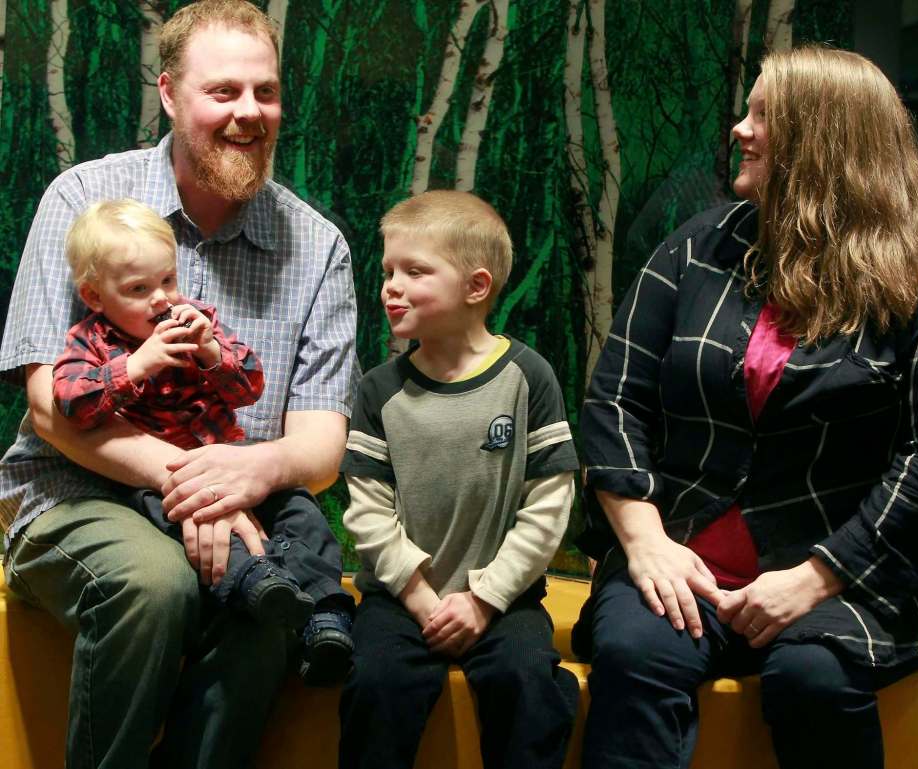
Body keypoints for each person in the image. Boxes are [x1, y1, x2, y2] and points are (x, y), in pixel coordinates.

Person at [573, 45, 918, 769]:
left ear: (823, 137)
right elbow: (614, 401)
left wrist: (817, 576)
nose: (739, 127)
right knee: (634, 655)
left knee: (814, 676)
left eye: (762, 114)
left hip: (856, 577)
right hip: (682, 560)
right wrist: (644, 542)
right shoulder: (696, 249)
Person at [0, 0, 359, 766]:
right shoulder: (82, 200)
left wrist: (245, 479)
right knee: (155, 581)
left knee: (271, 604)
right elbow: (49, 407)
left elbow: (322, 441)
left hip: (244, 509)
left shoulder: (319, 245)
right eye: (222, 92)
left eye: (265, 92)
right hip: (75, 492)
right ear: (169, 93)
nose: (248, 113)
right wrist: (192, 484)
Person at [51, 198, 354, 682]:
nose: (161, 299)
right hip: (155, 479)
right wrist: (135, 366)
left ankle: (325, 611)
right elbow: (71, 404)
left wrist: (212, 351)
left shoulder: (195, 319)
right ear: (94, 296)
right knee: (196, 530)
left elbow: (250, 387)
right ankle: (255, 582)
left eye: (167, 281)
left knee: (299, 508)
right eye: (138, 289)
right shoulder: (90, 341)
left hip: (229, 457)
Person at [338, 190, 580, 769]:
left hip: (504, 601)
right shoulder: (377, 390)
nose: (390, 286)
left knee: (529, 684)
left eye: (414, 271)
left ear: (476, 287)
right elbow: (367, 514)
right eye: (388, 271)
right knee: (373, 686)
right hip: (399, 601)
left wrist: (485, 599)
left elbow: (549, 506)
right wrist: (423, 602)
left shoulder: (528, 377)